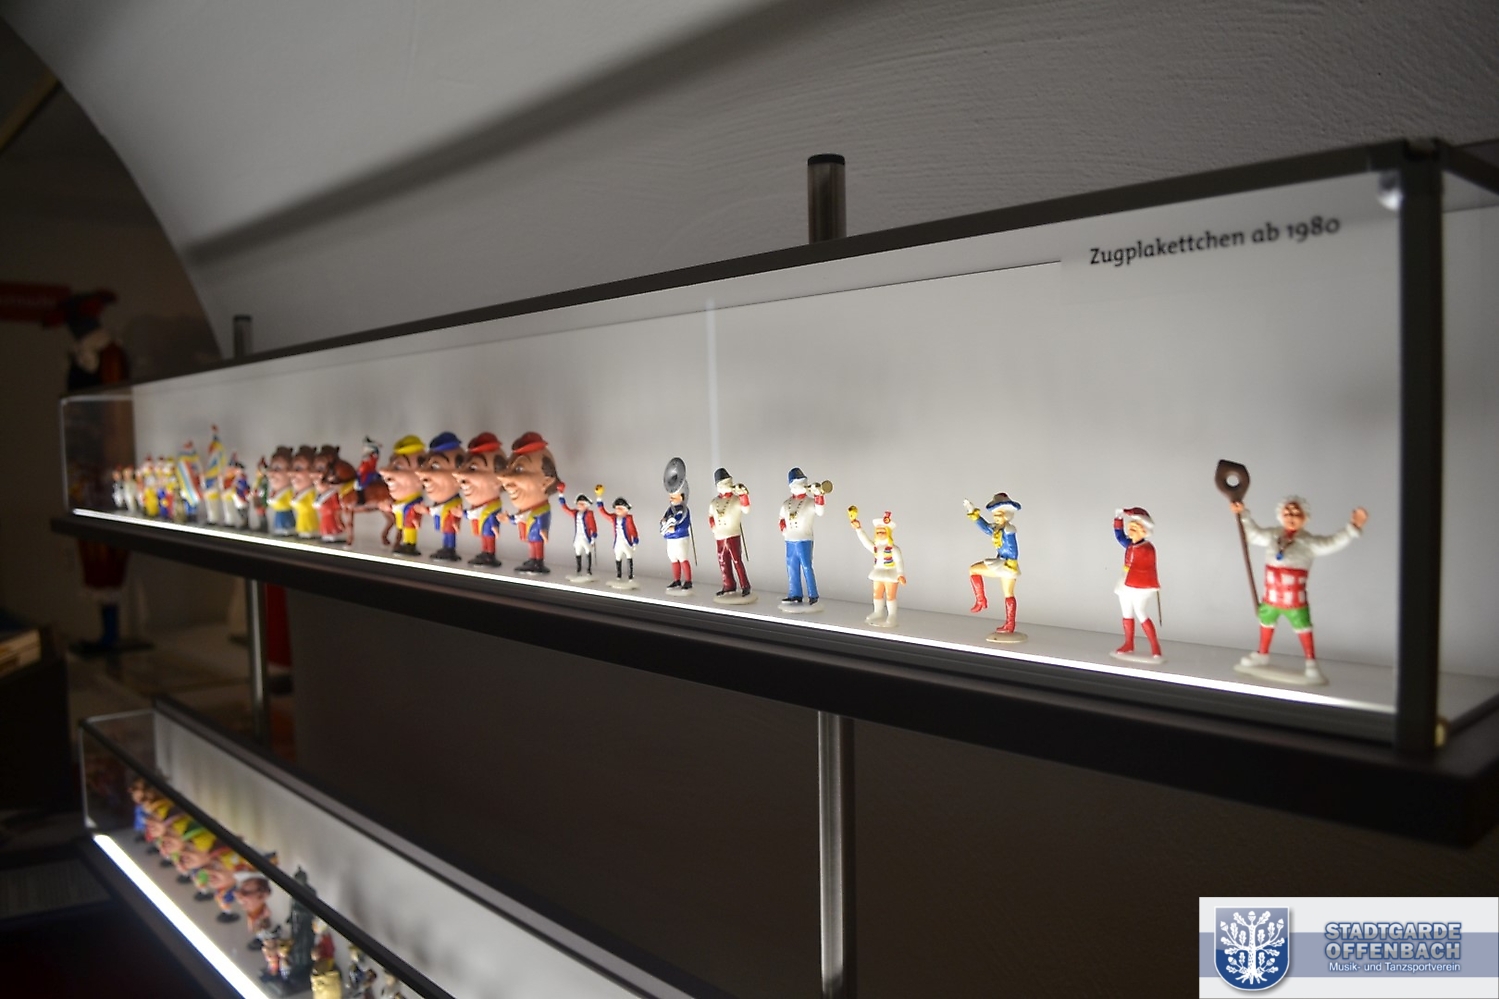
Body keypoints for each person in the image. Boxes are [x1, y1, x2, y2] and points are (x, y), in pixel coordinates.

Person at [1232, 495, 1366, 685]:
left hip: (1295, 600)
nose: (1290, 516)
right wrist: (1242, 514)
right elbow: (1252, 534)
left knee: (1303, 629)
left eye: (1296, 513)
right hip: (1271, 597)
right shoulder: (1273, 535)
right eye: (1287, 512)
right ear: (1280, 515)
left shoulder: (1309, 542)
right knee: (1265, 623)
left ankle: (1311, 662)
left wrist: (1351, 528)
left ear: (1305, 517)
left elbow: (1332, 542)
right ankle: (1262, 654)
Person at [497, 432, 559, 573]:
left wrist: (544, 530)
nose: (504, 479)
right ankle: (533, 559)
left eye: (519, 469)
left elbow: (542, 519)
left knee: (536, 544)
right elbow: (520, 518)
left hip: (536, 533)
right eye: (508, 467)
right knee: (532, 544)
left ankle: (538, 561)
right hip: (531, 532)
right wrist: (508, 518)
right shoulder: (528, 512)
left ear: (546, 481)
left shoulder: (541, 511)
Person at [965, 492, 1023, 638]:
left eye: (999, 515)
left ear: (1007, 515)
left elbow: (1013, 549)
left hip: (1006, 563)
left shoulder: (1008, 530)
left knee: (974, 571)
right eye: (995, 515)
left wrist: (1010, 563)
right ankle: (1006, 622)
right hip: (1004, 563)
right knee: (1007, 594)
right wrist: (972, 512)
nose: (996, 517)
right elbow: (985, 527)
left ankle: (982, 601)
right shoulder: (997, 529)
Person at [1111, 507, 1162, 659]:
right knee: (1126, 612)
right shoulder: (1130, 544)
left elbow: (1148, 569)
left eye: (1134, 529)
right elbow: (1119, 536)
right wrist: (1118, 519)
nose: (1130, 532)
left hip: (1140, 586)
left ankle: (1155, 646)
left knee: (1140, 612)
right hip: (1125, 581)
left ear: (1144, 531)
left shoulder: (1148, 549)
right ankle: (1129, 643)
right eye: (1130, 528)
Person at [779, 468, 825, 609]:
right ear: (791, 486)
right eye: (797, 482)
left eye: (802, 482)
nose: (800, 485)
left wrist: (819, 495)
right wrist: (783, 528)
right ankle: (795, 594)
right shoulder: (786, 504)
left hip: (804, 539)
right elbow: (781, 518)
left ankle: (813, 595)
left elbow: (820, 511)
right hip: (790, 539)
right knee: (791, 566)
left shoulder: (810, 502)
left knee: (806, 565)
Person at [850, 509, 904, 627]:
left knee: (890, 596)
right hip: (878, 573)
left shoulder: (894, 549)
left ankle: (892, 615)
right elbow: (865, 542)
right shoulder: (876, 547)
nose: (880, 533)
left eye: (882, 531)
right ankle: (878, 612)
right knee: (877, 594)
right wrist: (859, 529)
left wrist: (900, 574)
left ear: (888, 532)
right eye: (878, 531)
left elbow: (899, 561)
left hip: (890, 573)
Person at [707, 468, 752, 599]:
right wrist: (713, 526)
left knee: (736, 560)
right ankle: (728, 585)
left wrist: (743, 495)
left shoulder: (736, 499)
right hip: (720, 536)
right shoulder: (714, 502)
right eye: (722, 483)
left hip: (733, 534)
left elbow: (746, 509)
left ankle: (745, 585)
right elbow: (710, 516)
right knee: (723, 561)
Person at [379, 435, 426, 555]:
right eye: (390, 464)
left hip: (410, 524)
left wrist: (418, 518)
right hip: (405, 523)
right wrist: (387, 507)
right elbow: (397, 508)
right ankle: (406, 544)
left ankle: (410, 545)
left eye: (398, 467)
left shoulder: (415, 504)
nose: (384, 473)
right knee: (405, 531)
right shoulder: (401, 503)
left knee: (410, 532)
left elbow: (420, 512)